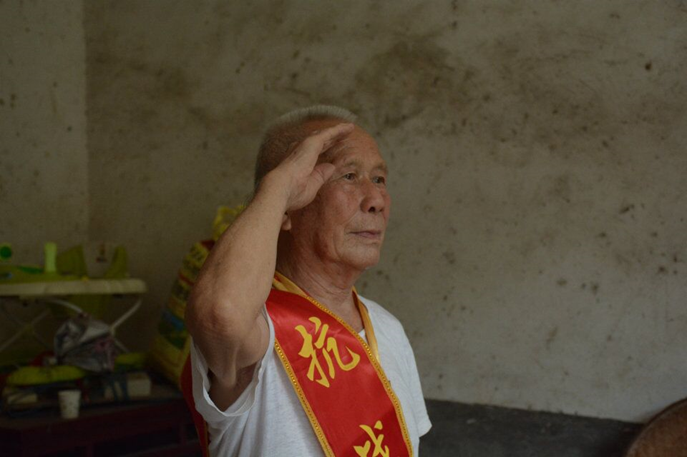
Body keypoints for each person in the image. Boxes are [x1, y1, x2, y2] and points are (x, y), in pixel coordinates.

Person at [186, 105, 431, 456]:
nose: (376, 199)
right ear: (289, 205)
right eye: (349, 176)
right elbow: (219, 316)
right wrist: (277, 187)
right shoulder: (259, 328)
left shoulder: (388, 328)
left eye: (379, 179)